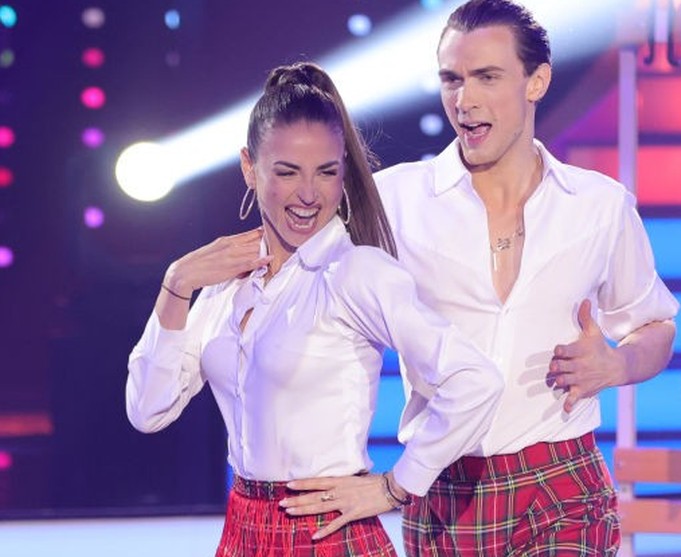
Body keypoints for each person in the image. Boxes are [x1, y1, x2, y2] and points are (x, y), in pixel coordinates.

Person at [285, 1, 680, 556]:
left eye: (486, 78)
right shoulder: (395, 200)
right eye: (451, 79)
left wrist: (617, 363)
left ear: (536, 81)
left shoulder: (599, 205)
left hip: (561, 482)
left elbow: (655, 325)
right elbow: (305, 288)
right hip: (444, 486)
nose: (464, 102)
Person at [125, 61, 504, 557]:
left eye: (326, 172)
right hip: (243, 529)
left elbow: (475, 381)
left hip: (326, 533)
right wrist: (176, 285)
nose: (309, 194)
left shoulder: (355, 272)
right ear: (249, 167)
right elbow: (148, 410)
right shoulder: (225, 288)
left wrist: (397, 485)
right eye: (287, 172)